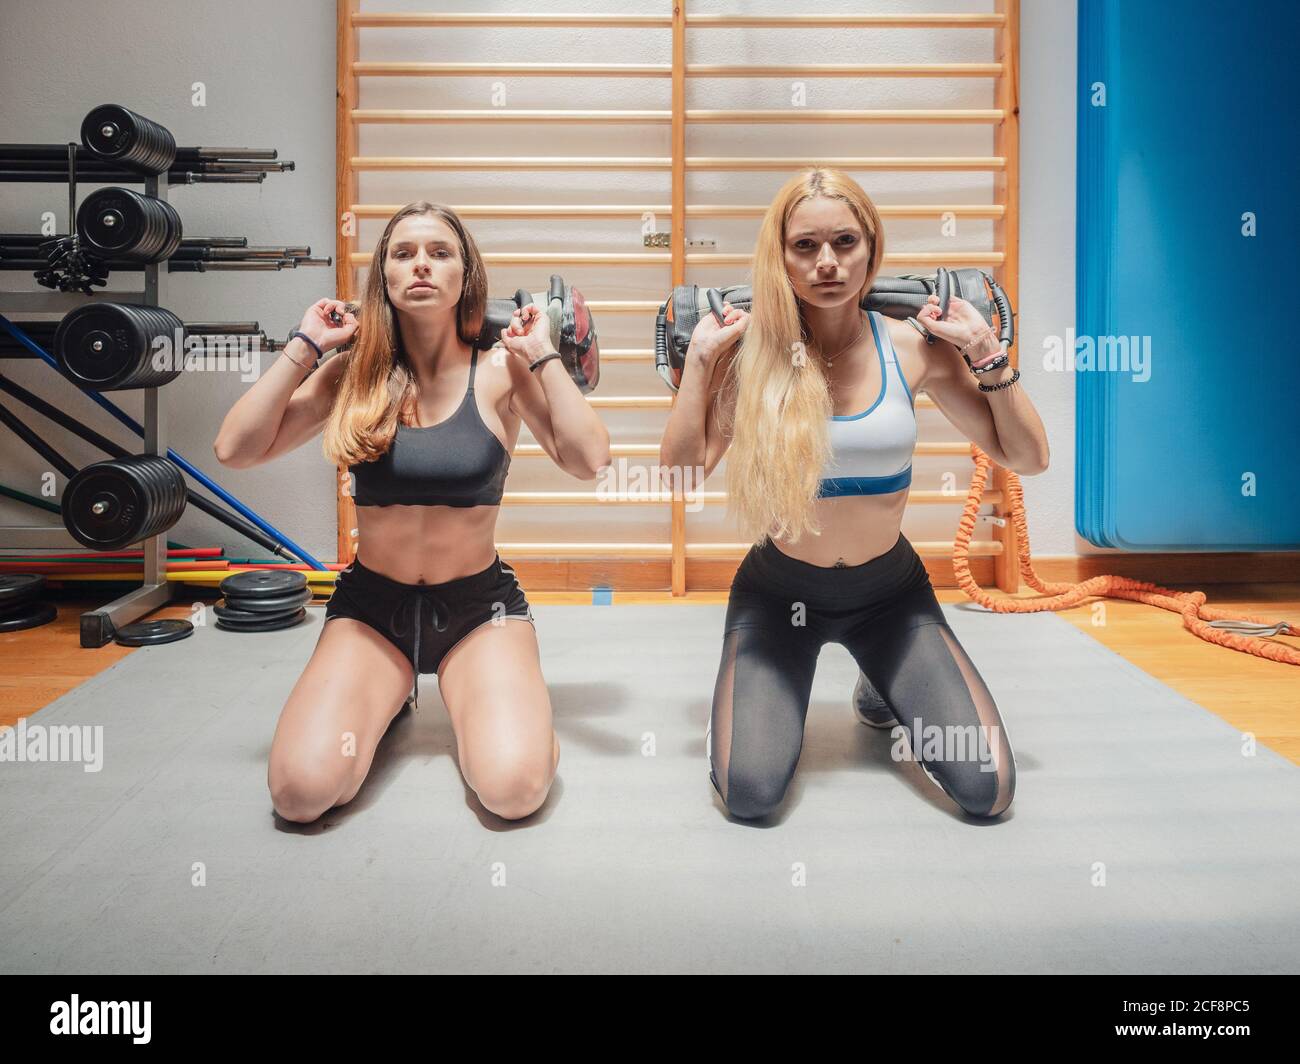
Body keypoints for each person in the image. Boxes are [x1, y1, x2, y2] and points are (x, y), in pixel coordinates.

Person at [659, 168, 1050, 821]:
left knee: (989, 792)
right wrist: (700, 364)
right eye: (805, 246)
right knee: (751, 797)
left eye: (845, 241)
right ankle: (769, 700)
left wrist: (988, 356)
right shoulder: (749, 355)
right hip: (779, 598)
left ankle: (883, 681)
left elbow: (1030, 457)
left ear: (872, 247)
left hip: (889, 599)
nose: (828, 263)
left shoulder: (914, 348)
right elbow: (678, 478)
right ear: (779, 256)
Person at [214, 201, 611, 824]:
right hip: (372, 611)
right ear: (385, 278)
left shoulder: (503, 371)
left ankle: (485, 705)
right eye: (403, 253)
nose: (420, 265)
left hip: (480, 612)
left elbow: (589, 460)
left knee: (512, 791)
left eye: (439, 253)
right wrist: (305, 345)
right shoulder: (355, 374)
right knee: (299, 793)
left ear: (464, 276)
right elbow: (234, 449)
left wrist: (544, 354)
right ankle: (389, 695)